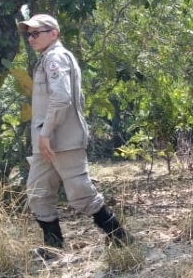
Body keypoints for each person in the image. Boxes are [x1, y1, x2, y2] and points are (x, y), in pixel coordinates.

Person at [20, 14, 131, 259]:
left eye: (36, 33)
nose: (31, 38)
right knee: (38, 192)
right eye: (28, 34)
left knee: (81, 193)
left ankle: (120, 237)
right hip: (46, 142)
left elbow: (62, 98)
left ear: (53, 33)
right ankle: (54, 247)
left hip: (62, 139)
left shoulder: (55, 58)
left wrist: (46, 133)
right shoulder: (46, 59)